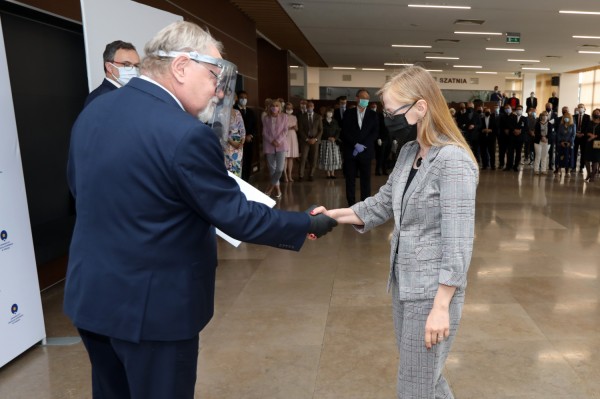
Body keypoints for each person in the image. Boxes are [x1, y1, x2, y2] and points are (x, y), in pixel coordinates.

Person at [65, 21, 338, 399]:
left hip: (93, 298)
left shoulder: (93, 112)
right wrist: (306, 222)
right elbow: (236, 216)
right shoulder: (186, 133)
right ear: (180, 67)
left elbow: (80, 190)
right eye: (213, 74)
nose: (218, 88)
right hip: (155, 312)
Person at [312, 66, 478, 399]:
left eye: (392, 113)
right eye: (384, 112)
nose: (387, 120)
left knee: (414, 385)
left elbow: (458, 242)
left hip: (432, 292)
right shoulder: (408, 153)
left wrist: (441, 306)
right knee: (426, 377)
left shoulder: (453, 161)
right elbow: (381, 203)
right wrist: (333, 216)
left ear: (421, 107)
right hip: (406, 284)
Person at [340, 89, 379, 205]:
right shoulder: (348, 113)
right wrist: (355, 144)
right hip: (351, 152)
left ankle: (364, 204)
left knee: (366, 180)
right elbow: (344, 132)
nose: (365, 100)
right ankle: (351, 204)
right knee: (350, 180)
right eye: (362, 98)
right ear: (357, 98)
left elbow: (375, 133)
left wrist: (363, 145)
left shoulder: (373, 115)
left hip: (366, 152)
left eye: (367, 98)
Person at [84, 40, 140, 108]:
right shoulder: (101, 97)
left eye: (136, 65)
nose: (133, 70)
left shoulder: (128, 93)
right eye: (126, 64)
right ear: (109, 67)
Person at [262, 99, 288, 197]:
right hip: (269, 145)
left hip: (281, 145)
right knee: (272, 170)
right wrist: (272, 141)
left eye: (276, 105)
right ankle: (278, 190)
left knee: (280, 169)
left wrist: (278, 140)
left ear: (280, 107)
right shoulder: (266, 118)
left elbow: (285, 130)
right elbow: (264, 132)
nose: (274, 107)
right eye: (272, 105)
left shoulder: (284, 117)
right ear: (269, 107)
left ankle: (270, 187)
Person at [234, 90, 257, 182]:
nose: (243, 99)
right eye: (241, 98)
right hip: (237, 142)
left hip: (249, 141)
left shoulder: (251, 112)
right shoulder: (234, 110)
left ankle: (246, 180)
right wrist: (242, 137)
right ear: (238, 99)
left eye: (245, 98)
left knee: (248, 162)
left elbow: (255, 126)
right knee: (239, 163)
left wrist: (250, 135)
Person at [298, 101, 323, 181]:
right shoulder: (302, 117)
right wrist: (307, 139)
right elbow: (300, 130)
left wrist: (315, 139)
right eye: (308, 106)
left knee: (314, 158)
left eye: (311, 106)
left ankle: (311, 174)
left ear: (314, 107)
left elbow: (321, 130)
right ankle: (301, 175)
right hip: (305, 140)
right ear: (306, 107)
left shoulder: (318, 117)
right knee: (303, 158)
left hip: (315, 140)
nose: (309, 107)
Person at [319, 107, 342, 178]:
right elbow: (320, 131)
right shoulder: (322, 121)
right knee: (326, 157)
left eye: (331, 112)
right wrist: (327, 137)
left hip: (334, 142)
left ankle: (333, 173)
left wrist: (335, 138)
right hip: (325, 141)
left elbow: (338, 131)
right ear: (326, 113)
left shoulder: (335, 121)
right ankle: (328, 173)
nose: (330, 113)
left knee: (334, 157)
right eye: (328, 112)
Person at [505, 105, 528, 172]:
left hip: (520, 138)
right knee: (510, 152)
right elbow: (509, 125)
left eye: (520, 109)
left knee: (518, 153)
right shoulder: (512, 117)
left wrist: (520, 131)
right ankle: (509, 166)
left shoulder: (524, 118)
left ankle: (516, 166)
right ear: (515, 110)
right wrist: (514, 130)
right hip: (512, 137)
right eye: (517, 109)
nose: (518, 110)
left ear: (522, 110)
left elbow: (526, 127)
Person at [224, 106, 245, 177]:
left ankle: (237, 186)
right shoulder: (219, 112)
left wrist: (242, 141)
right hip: (227, 144)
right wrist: (232, 142)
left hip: (238, 146)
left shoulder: (237, 112)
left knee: (237, 168)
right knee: (229, 169)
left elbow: (242, 129)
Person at [283, 102, 299, 182]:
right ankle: (285, 175)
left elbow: (297, 128)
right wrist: (289, 127)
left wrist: (294, 127)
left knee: (291, 158)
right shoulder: (282, 116)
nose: (289, 110)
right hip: (285, 136)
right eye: (287, 108)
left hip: (293, 136)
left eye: (290, 108)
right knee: (285, 157)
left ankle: (290, 175)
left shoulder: (294, 117)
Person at [573, 103, 590, 173]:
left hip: (583, 137)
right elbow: (572, 126)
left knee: (583, 152)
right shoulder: (574, 116)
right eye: (579, 107)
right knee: (574, 152)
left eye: (582, 107)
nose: (580, 108)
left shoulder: (587, 117)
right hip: (575, 136)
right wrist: (575, 133)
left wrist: (583, 134)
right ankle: (573, 166)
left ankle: (581, 167)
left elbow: (588, 127)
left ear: (584, 109)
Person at [584, 109, 600, 182]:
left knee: (595, 159)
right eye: (595, 113)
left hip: (597, 143)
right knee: (587, 159)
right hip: (589, 142)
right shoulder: (589, 122)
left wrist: (595, 136)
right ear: (593, 114)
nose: (597, 114)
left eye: (598, 113)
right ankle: (588, 173)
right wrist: (590, 135)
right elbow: (586, 131)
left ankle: (592, 176)